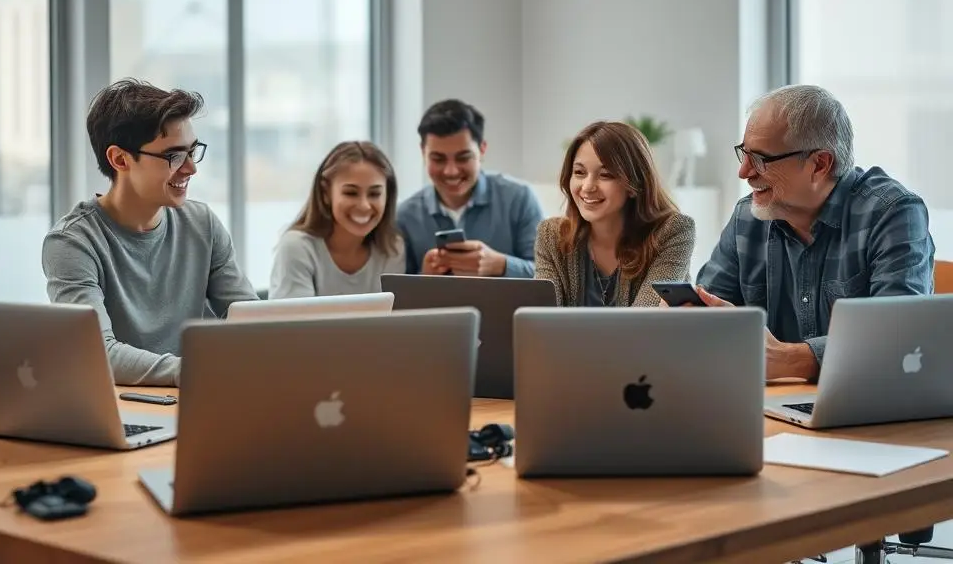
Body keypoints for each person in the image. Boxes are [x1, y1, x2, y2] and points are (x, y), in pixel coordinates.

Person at [695, 84, 934, 381]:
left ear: (820, 164)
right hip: (775, 407)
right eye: (744, 153)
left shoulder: (892, 213)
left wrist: (790, 360)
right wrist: (687, 319)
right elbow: (707, 316)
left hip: (868, 410)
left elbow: (900, 337)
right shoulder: (748, 217)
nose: (744, 172)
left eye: (760, 159)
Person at [42, 79, 256, 387]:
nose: (191, 169)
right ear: (120, 159)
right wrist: (197, 370)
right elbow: (96, 352)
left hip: (198, 399)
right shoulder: (72, 242)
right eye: (174, 156)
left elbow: (249, 322)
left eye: (193, 151)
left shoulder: (202, 224)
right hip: (122, 410)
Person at [534, 121, 695, 306]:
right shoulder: (551, 236)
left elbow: (644, 322)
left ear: (634, 185)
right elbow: (543, 319)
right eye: (579, 172)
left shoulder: (674, 232)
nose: (587, 187)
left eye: (605, 175)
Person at [397, 99, 544, 278]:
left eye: (463, 158)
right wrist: (425, 277)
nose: (451, 171)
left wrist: (501, 265)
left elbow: (550, 276)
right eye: (438, 159)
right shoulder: (404, 216)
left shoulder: (519, 199)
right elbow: (397, 293)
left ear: (482, 150)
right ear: (423, 153)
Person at [269, 141, 405, 299]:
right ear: (326, 193)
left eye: (374, 194)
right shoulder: (297, 247)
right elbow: (293, 322)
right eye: (351, 193)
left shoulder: (392, 248)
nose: (364, 206)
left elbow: (394, 320)